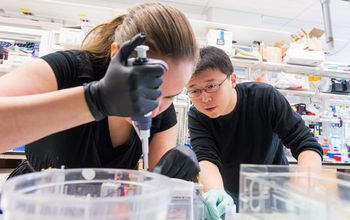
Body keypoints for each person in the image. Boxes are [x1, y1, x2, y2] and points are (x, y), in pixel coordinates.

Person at [0, 2, 200, 181]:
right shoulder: (69, 69)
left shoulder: (163, 114)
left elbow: (154, 185)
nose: (155, 108)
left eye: (170, 96)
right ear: (116, 55)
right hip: (34, 204)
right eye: (148, 88)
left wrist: (172, 178)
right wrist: (94, 100)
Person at [187, 46, 323, 219]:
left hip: (274, 193)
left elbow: (305, 144)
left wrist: (304, 186)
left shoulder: (265, 98)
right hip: (228, 193)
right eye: (194, 90)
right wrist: (216, 195)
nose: (205, 98)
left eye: (212, 86)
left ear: (233, 80)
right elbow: (206, 157)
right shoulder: (197, 115)